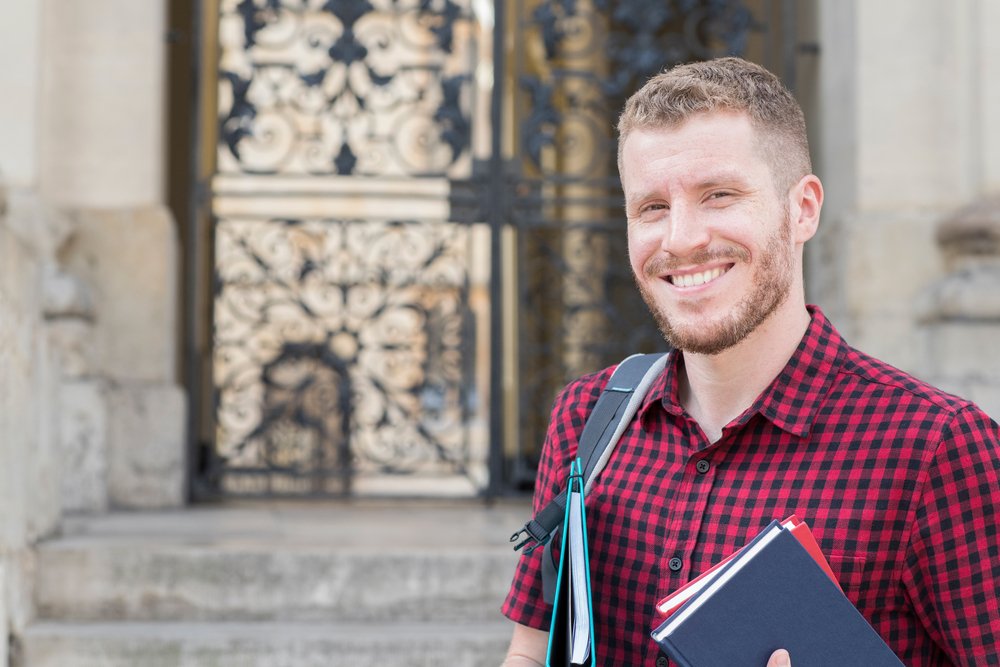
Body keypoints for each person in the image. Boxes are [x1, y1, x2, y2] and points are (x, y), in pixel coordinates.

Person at [500, 57, 1000, 666]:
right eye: (652, 207)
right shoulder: (586, 418)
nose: (681, 238)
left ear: (803, 209)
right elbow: (529, 653)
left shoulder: (936, 449)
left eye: (720, 195)